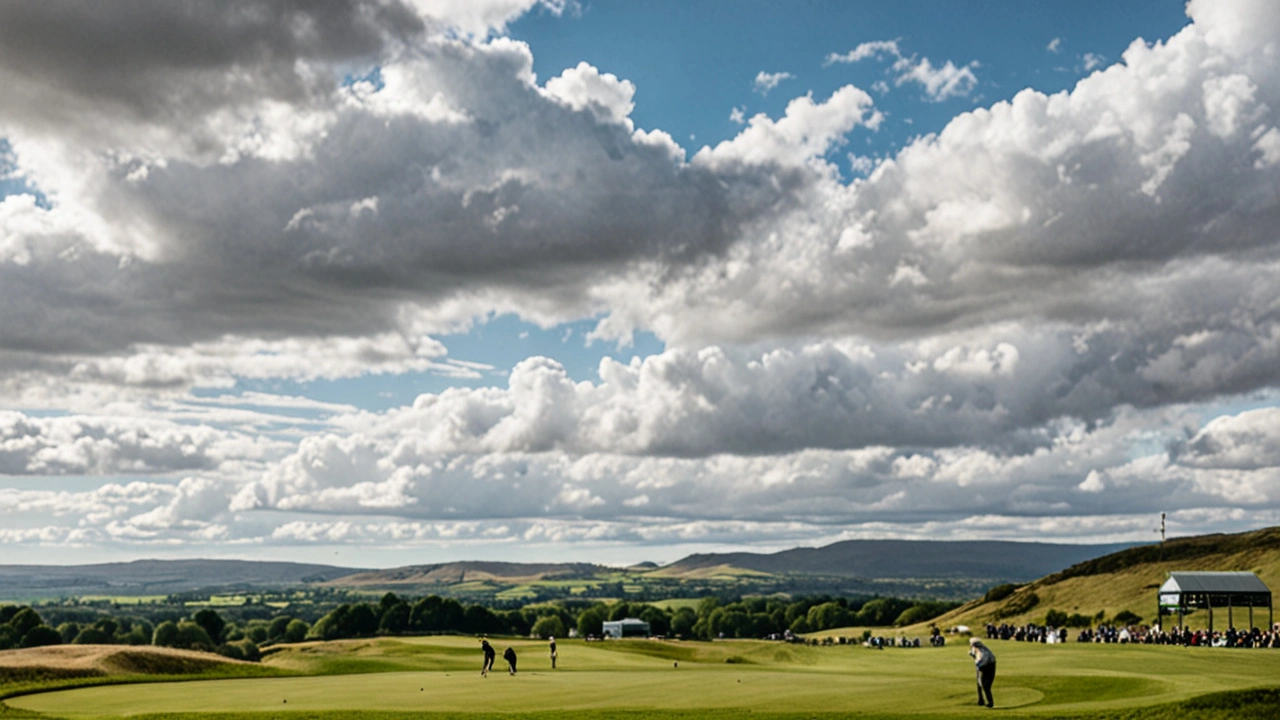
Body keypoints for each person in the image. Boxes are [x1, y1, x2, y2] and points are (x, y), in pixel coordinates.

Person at [968, 637, 996, 707]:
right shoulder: (983, 648)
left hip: (985, 667)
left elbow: (981, 659)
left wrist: (978, 665)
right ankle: (982, 700)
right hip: (990, 666)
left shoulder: (978, 649)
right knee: (983, 684)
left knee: (984, 685)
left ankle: (988, 702)